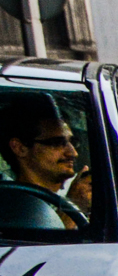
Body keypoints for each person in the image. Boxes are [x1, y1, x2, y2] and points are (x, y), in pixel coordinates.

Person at [0, 93, 88, 226]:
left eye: (73, 142)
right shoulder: (14, 210)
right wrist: (73, 205)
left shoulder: (58, 199)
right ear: (19, 148)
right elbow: (53, 245)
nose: (73, 153)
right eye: (57, 143)